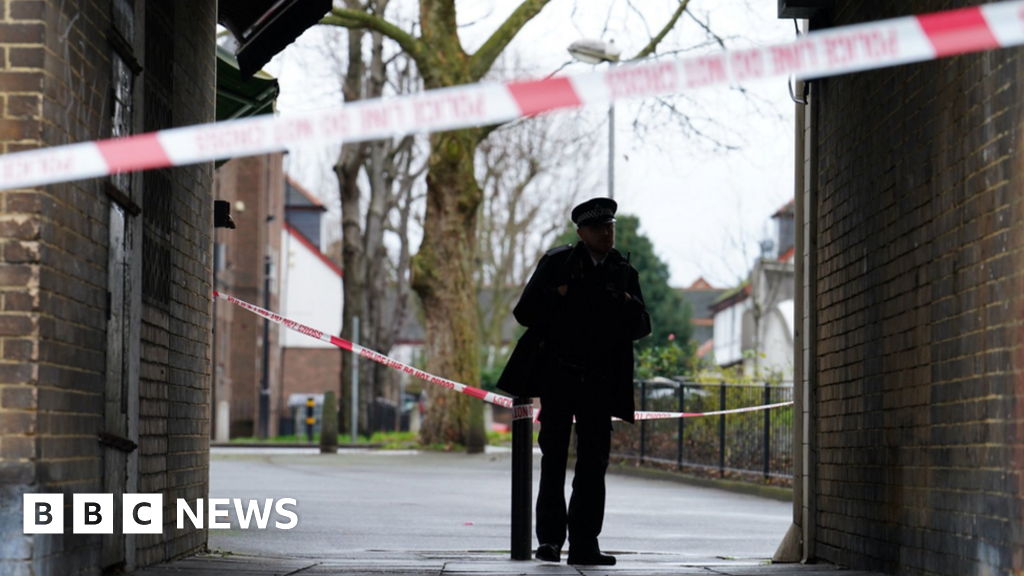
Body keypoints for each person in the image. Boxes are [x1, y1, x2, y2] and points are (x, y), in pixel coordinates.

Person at [497, 197, 651, 566]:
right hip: (559, 377)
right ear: (581, 232)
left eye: (610, 226)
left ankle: (585, 544)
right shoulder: (557, 263)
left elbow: (642, 326)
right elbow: (524, 313)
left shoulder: (623, 270)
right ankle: (549, 541)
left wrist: (627, 302)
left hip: (601, 382)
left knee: (593, 464)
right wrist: (559, 294)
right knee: (553, 460)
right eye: (599, 227)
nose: (607, 233)